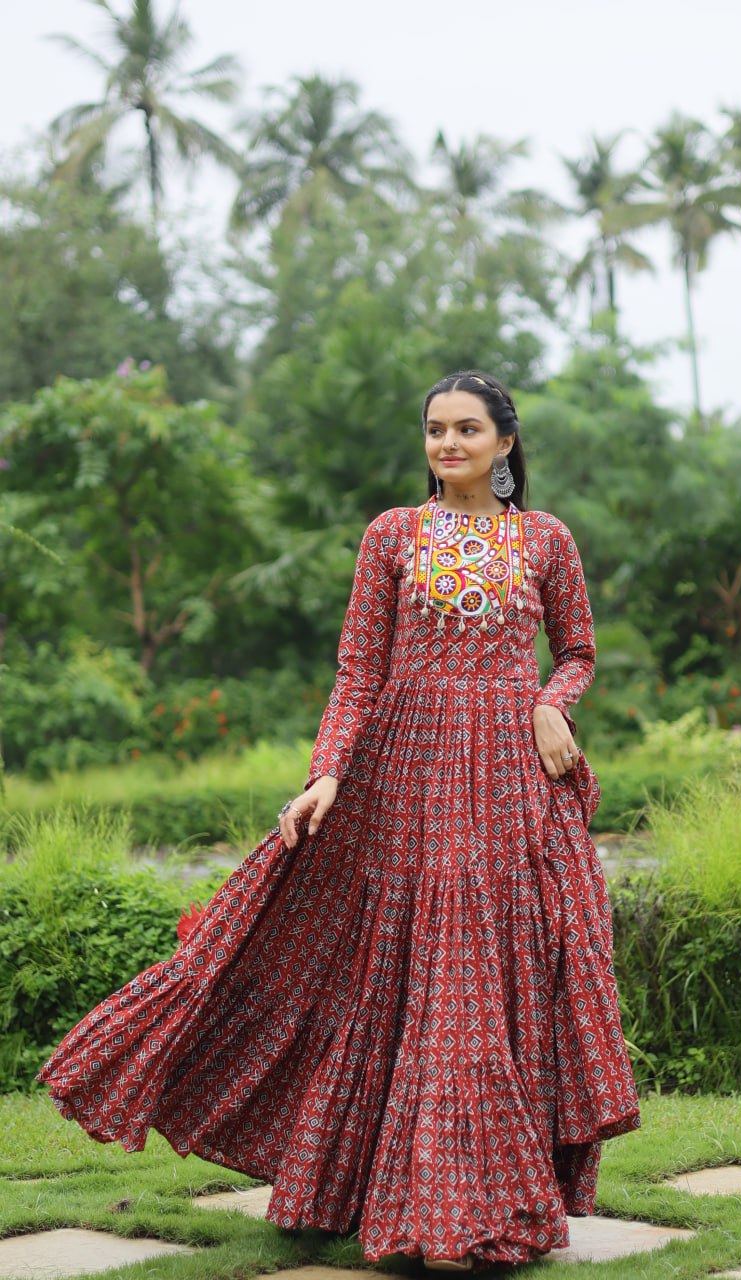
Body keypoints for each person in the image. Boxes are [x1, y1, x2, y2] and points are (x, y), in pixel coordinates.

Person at [36, 370, 640, 1270]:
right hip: (401, 776)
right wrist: (324, 776)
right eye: (434, 429)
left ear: (506, 443)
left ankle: (466, 1209)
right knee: (402, 970)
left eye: (467, 429)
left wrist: (554, 702)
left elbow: (580, 650)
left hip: (510, 779)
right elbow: (358, 669)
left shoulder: (545, 540)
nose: (448, 444)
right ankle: (373, 1196)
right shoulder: (391, 535)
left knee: (477, 970)